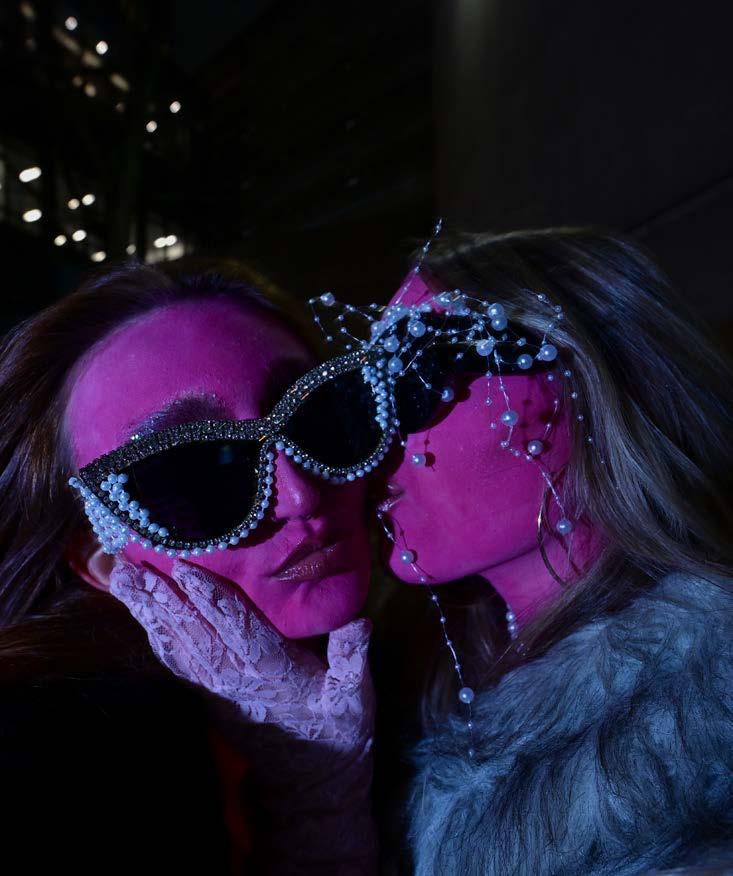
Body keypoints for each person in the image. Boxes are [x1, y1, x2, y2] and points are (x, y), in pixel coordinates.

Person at [359, 227, 733, 874]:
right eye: (365, 402)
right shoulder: (405, 682)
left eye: (415, 383)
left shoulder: (708, 710)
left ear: (584, 376)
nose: (375, 446)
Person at [0, 258, 378, 874]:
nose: (301, 496)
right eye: (199, 472)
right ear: (102, 560)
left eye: (317, 420)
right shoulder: (48, 763)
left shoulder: (446, 655)